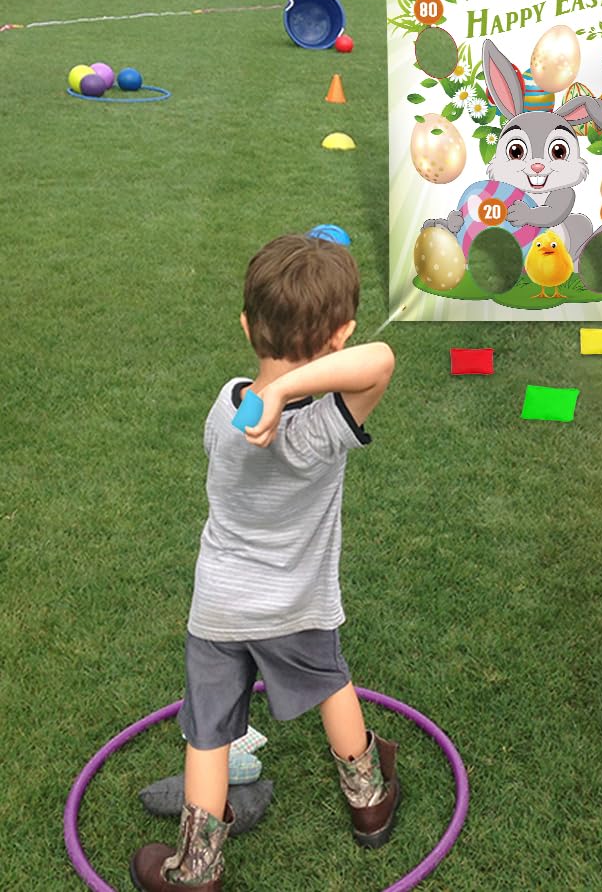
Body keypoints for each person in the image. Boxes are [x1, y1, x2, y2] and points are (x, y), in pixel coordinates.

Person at [130, 233, 398, 892]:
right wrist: (296, 392)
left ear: (248, 325)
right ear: (342, 336)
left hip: (219, 603)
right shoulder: (330, 421)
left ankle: (197, 868)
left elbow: (308, 379)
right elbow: (382, 359)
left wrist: (275, 392)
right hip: (296, 604)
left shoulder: (226, 405)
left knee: (209, 729)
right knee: (331, 683)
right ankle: (369, 805)